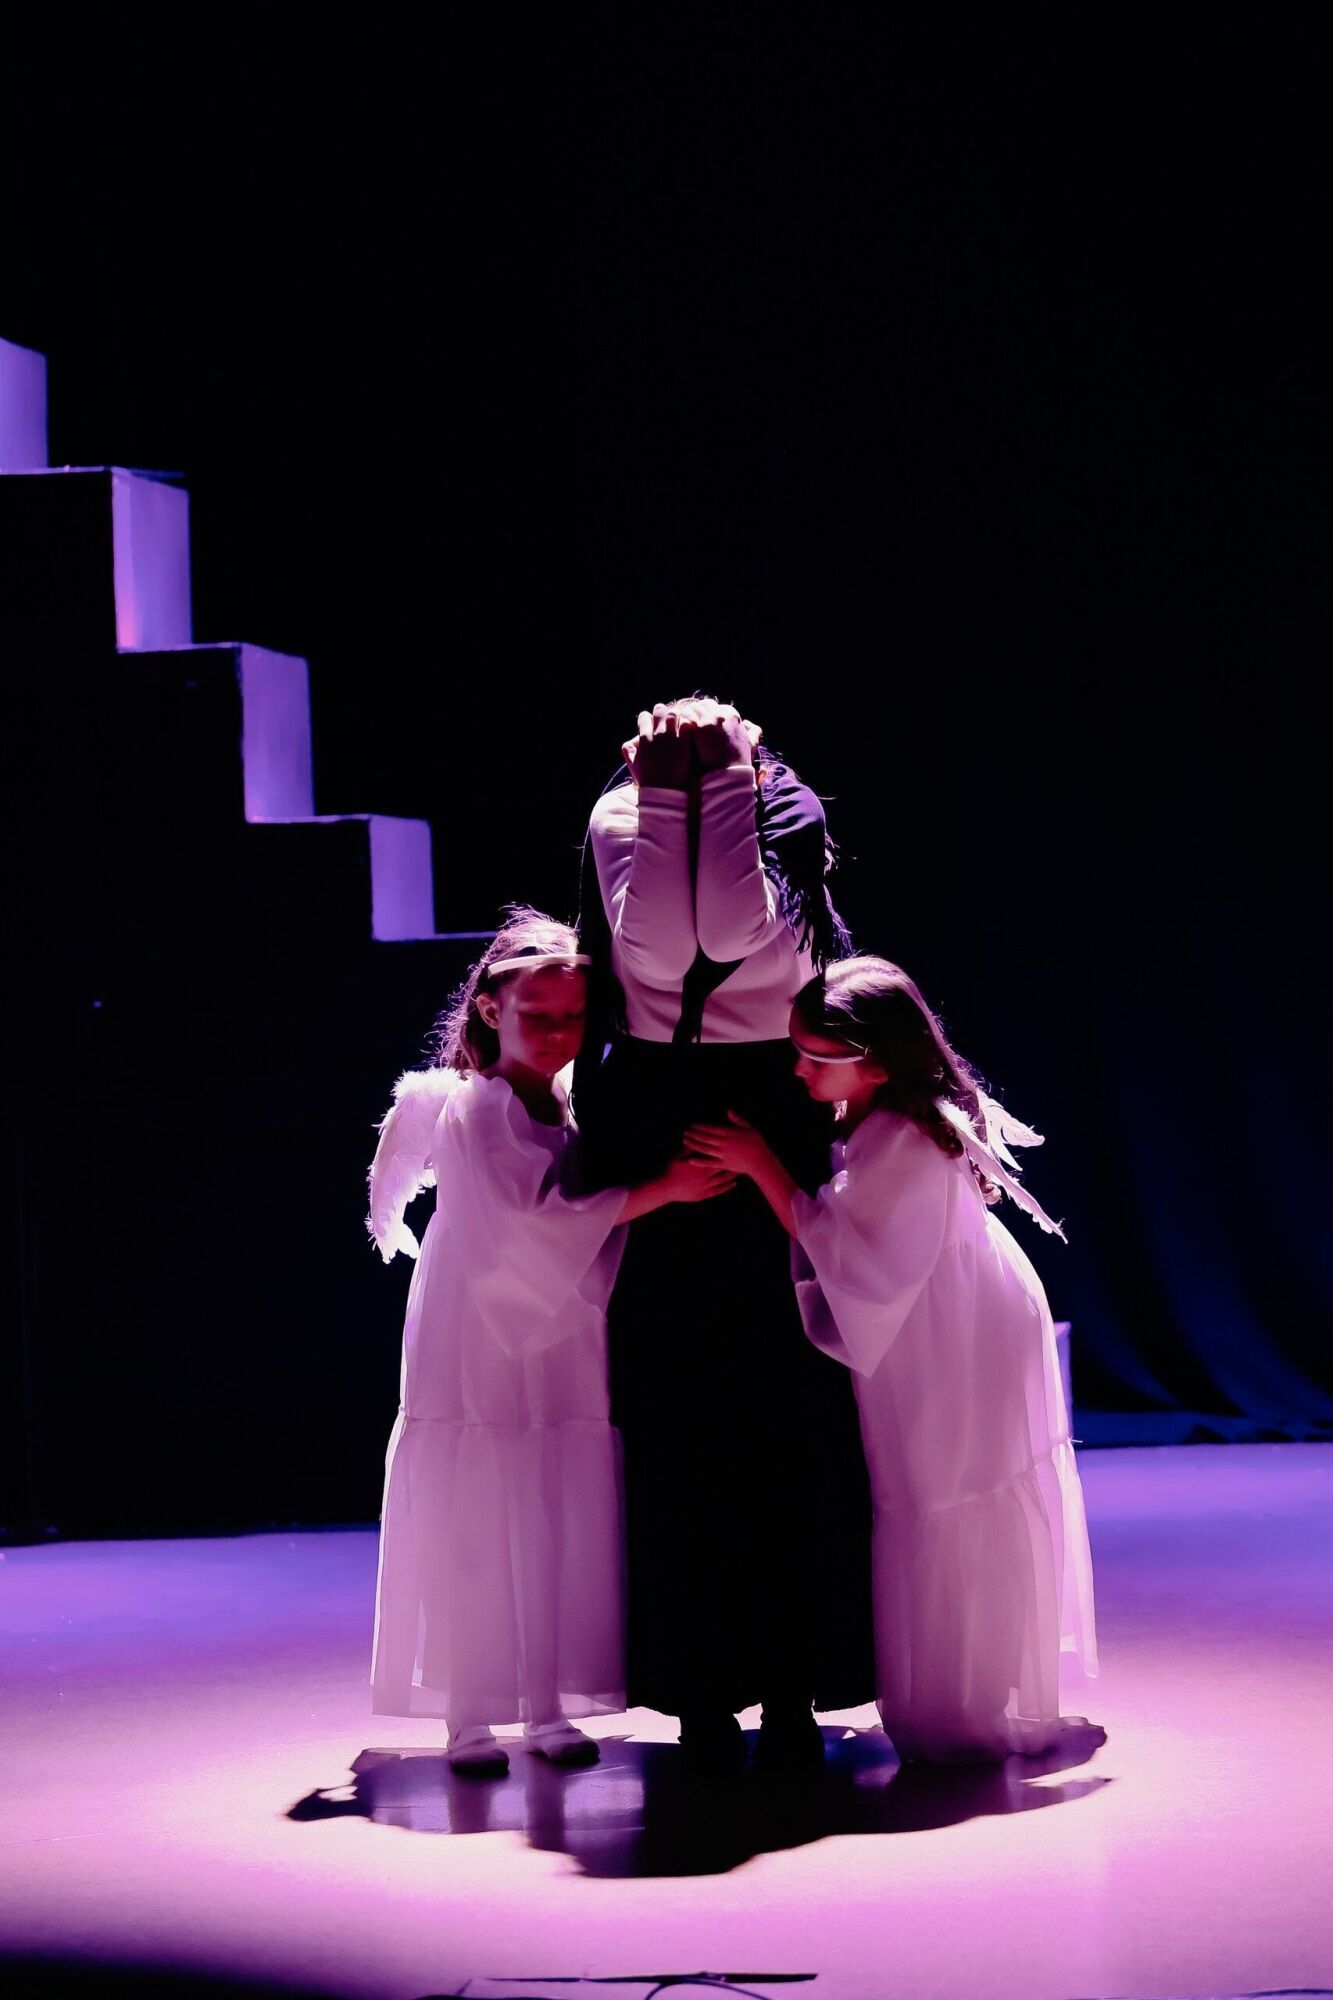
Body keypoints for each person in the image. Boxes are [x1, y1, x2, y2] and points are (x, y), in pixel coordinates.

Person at [686, 956, 1099, 1762]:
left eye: (815, 1058)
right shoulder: (885, 1117)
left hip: (948, 1329)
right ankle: (956, 1690)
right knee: (935, 1490)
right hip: (943, 1311)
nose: (797, 1071)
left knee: (946, 1490)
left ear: (874, 1064)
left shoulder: (901, 1138)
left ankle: (962, 1702)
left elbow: (848, 1254)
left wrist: (761, 1164)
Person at [576, 700, 875, 1771]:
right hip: (661, 1109)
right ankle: (700, 1690)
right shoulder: (620, 809)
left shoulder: (782, 803)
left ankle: (793, 1686)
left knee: (790, 1409)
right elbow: (659, 946)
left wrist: (728, 780)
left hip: (770, 1105)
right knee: (680, 1417)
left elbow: (740, 933)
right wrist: (667, 792)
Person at [366, 909, 733, 1774]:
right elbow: (525, 1228)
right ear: (491, 1008)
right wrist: (662, 1189)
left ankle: (543, 1703)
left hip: (557, 1318)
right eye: (538, 1016)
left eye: (572, 1016)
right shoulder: (481, 1106)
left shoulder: (562, 1099)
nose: (558, 1033)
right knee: (481, 1501)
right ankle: (468, 1713)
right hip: (480, 1324)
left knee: (547, 1497)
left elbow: (559, 1226)